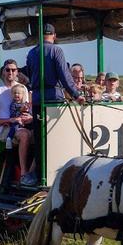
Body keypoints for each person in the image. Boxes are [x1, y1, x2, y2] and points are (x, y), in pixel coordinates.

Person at [26, 23, 85, 184]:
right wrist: (76, 94)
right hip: (53, 99)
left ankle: (40, 176)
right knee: (56, 137)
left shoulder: (31, 53)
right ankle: (59, 175)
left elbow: (30, 74)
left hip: (38, 100)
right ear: (54, 35)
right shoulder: (56, 50)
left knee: (39, 140)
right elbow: (64, 76)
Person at [0, 59, 36, 186]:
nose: (10, 72)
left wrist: (29, 117)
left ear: (17, 72)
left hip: (21, 126)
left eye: (13, 70)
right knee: (24, 135)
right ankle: (23, 174)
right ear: (3, 72)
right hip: (5, 129)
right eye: (7, 69)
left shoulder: (23, 89)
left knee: (42, 135)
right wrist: (11, 120)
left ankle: (33, 171)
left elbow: (27, 110)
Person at [4, 84, 31, 150]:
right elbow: (17, 111)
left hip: (23, 122)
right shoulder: (14, 104)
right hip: (15, 120)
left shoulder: (23, 103)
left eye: (18, 93)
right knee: (14, 126)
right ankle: (9, 138)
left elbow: (27, 109)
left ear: (22, 95)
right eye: (15, 93)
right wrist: (22, 109)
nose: (16, 95)